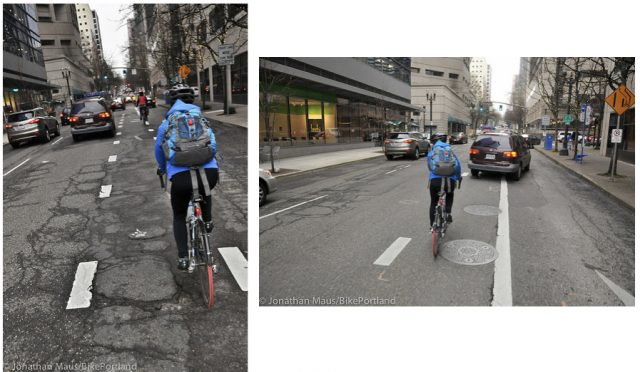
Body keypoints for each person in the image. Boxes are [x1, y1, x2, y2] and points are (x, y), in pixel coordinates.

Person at [154, 97, 219, 271]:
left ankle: (183, 257)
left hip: (181, 178)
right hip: (209, 174)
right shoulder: (202, 121)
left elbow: (159, 151)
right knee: (206, 191)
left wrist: (162, 168)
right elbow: (213, 145)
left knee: (179, 215)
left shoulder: (166, 124)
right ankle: (208, 221)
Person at [427, 140, 462, 228]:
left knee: (433, 202)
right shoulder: (450, 152)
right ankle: (448, 213)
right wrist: (458, 177)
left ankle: (432, 225)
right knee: (450, 195)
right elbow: (457, 166)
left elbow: (430, 166)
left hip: (435, 181)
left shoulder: (432, 152)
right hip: (450, 181)